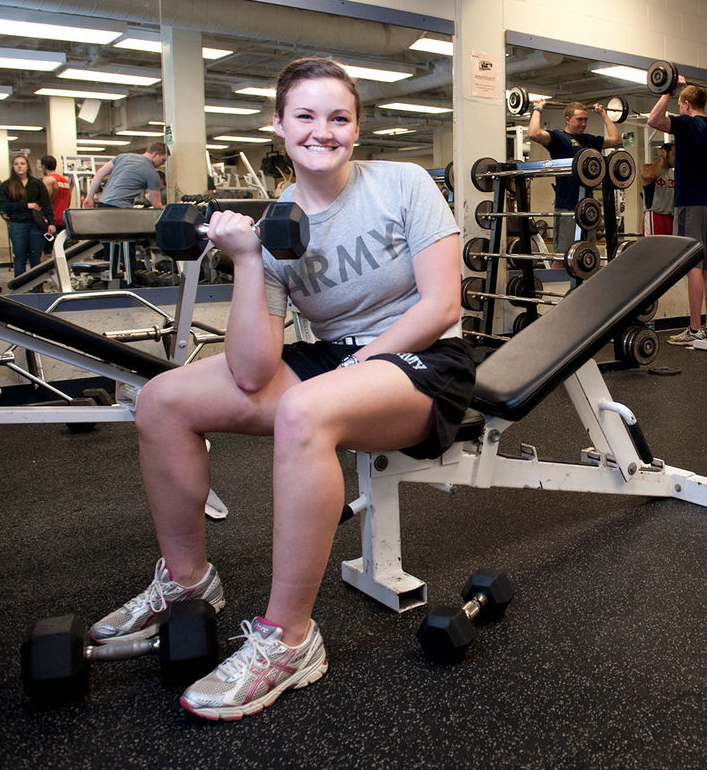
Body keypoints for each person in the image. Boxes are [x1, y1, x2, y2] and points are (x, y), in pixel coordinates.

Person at [88, 58, 475, 720]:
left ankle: (290, 638)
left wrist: (357, 368)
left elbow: (441, 304)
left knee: (303, 409)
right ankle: (186, 583)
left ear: (356, 128)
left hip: (423, 358)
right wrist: (245, 260)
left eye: (338, 117)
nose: (322, 131)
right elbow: (249, 369)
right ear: (278, 125)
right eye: (305, 116)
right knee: (162, 400)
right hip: (331, 355)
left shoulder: (403, 184)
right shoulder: (275, 228)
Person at [647, 77, 707, 344]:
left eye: (680, 103)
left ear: (685, 105)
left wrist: (667, 91)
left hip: (689, 204)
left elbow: (653, 120)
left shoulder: (685, 123)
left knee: (692, 266)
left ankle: (694, 329)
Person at [526, 98, 620, 264]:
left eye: (586, 119)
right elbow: (533, 133)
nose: (583, 123)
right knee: (562, 258)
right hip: (567, 206)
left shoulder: (589, 140)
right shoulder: (558, 138)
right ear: (568, 120)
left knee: (587, 255)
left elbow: (616, 140)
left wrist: (604, 115)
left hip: (588, 208)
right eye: (579, 119)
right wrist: (538, 109)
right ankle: (559, 290)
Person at [0, 154, 56, 276]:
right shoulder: (6, 185)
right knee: (20, 255)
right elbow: (4, 206)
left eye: (22, 164)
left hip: (36, 224)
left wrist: (51, 223)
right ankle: (20, 286)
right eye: (16, 164)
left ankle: (37, 285)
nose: (19, 166)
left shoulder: (37, 184)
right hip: (17, 224)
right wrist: (26, 205)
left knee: (36, 255)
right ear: (13, 167)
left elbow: (46, 204)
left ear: (28, 166)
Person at [82, 141, 168, 209]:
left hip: (102, 204)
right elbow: (156, 205)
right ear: (156, 154)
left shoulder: (123, 157)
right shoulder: (152, 173)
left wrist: (89, 197)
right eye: (163, 160)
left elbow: (99, 174)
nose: (163, 163)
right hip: (120, 209)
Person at [640, 142, 675, 235]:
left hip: (670, 217)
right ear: (665, 153)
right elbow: (649, 176)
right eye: (674, 154)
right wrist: (661, 158)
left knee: (671, 248)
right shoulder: (648, 168)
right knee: (654, 247)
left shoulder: (674, 174)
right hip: (655, 216)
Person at [41, 155, 73, 228]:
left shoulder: (48, 180)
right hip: (63, 220)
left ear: (43, 167)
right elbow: (68, 202)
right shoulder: (65, 181)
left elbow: (45, 201)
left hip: (51, 221)